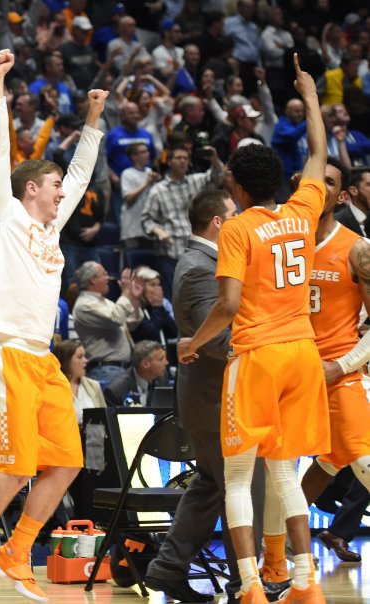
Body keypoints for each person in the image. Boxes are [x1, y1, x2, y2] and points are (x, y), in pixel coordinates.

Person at [0, 48, 106, 604]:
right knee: (12, 471)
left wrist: (92, 121)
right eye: (54, 184)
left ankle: (17, 551)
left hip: (44, 360)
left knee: (64, 465)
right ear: (32, 187)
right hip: (6, 352)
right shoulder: (3, 216)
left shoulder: (52, 229)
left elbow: (82, 173)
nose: (64, 191)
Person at [177, 54, 329, 603]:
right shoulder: (303, 209)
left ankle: (249, 587)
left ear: (238, 186)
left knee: (239, 478)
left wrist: (192, 345)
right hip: (303, 354)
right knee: (286, 474)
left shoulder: (239, 230)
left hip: (260, 356)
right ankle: (307, 584)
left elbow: (228, 304)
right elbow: (317, 152)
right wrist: (309, 95)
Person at [144, 188, 275, 603]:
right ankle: (245, 584)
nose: (239, 220)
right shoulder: (199, 266)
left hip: (213, 395)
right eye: (233, 214)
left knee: (211, 486)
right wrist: (269, 338)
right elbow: (215, 339)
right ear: (218, 222)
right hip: (214, 398)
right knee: (245, 483)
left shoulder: (209, 262)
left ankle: (167, 569)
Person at [261, 158, 370, 578]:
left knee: (361, 460)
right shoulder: (277, 241)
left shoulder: (357, 249)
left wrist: (341, 366)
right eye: (312, 180)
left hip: (339, 371)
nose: (318, 188)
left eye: (329, 183)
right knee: (286, 473)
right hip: (288, 371)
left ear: (341, 197)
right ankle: (275, 562)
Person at [141, 145, 224, 297]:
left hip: (196, 251)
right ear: (170, 162)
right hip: (171, 252)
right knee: (176, 297)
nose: (182, 161)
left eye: (185, 158)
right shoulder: (158, 190)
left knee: (200, 296)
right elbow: (146, 220)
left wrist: (215, 159)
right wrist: (159, 231)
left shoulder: (195, 181)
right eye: (178, 158)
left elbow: (218, 177)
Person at [71, 262, 144, 383]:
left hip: (120, 369)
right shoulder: (84, 305)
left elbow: (130, 323)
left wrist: (134, 299)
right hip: (105, 370)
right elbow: (116, 318)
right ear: (93, 280)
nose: (108, 278)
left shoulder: (104, 302)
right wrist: (125, 293)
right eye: (104, 274)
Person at [53, 339, 106, 424]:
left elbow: (105, 419)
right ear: (66, 361)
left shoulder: (94, 385)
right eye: (80, 357)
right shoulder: (52, 389)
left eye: (85, 356)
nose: (86, 360)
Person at [103, 340, 169, 406]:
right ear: (146, 364)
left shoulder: (162, 380)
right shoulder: (117, 390)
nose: (166, 363)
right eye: (161, 359)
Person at [130, 266, 177, 344]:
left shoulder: (155, 305)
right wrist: (157, 308)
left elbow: (174, 332)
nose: (158, 289)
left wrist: (160, 307)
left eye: (158, 285)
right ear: (140, 288)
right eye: (152, 285)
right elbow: (151, 335)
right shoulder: (134, 307)